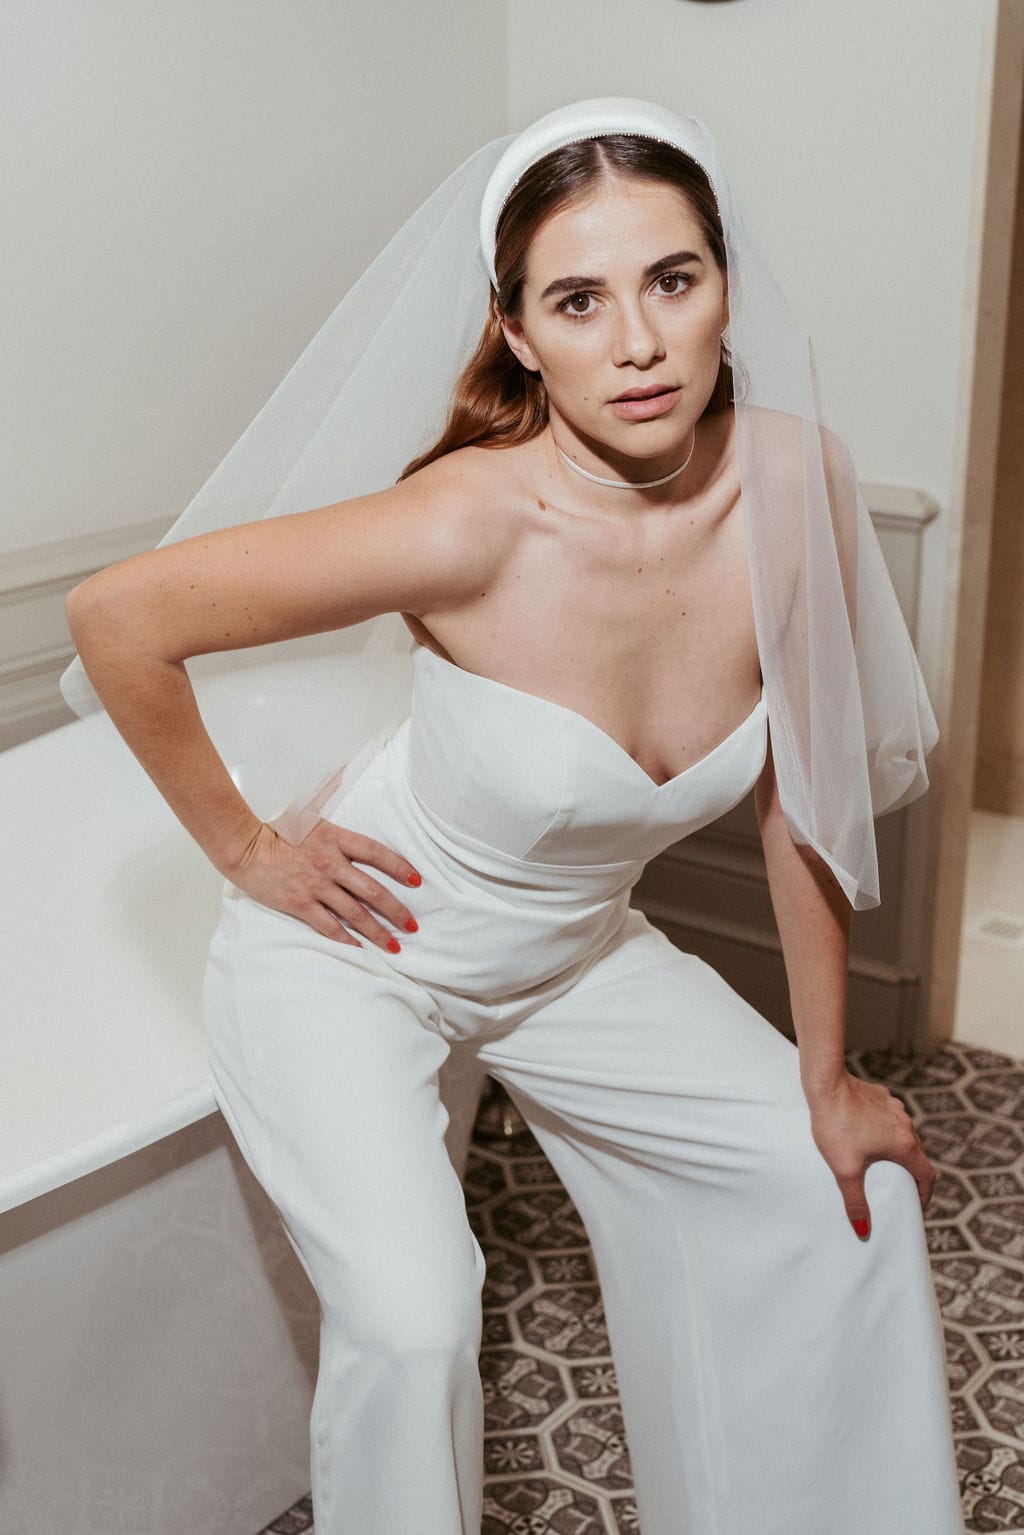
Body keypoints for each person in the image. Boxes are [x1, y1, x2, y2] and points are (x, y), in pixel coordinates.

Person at [62, 99, 965, 1535]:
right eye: (578, 301)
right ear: (519, 334)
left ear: (727, 286)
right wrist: (250, 852)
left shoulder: (797, 479)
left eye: (672, 280)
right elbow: (118, 619)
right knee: (417, 1315)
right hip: (358, 959)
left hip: (575, 957)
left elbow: (802, 798)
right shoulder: (468, 522)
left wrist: (827, 1073)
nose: (639, 342)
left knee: (843, 1196)